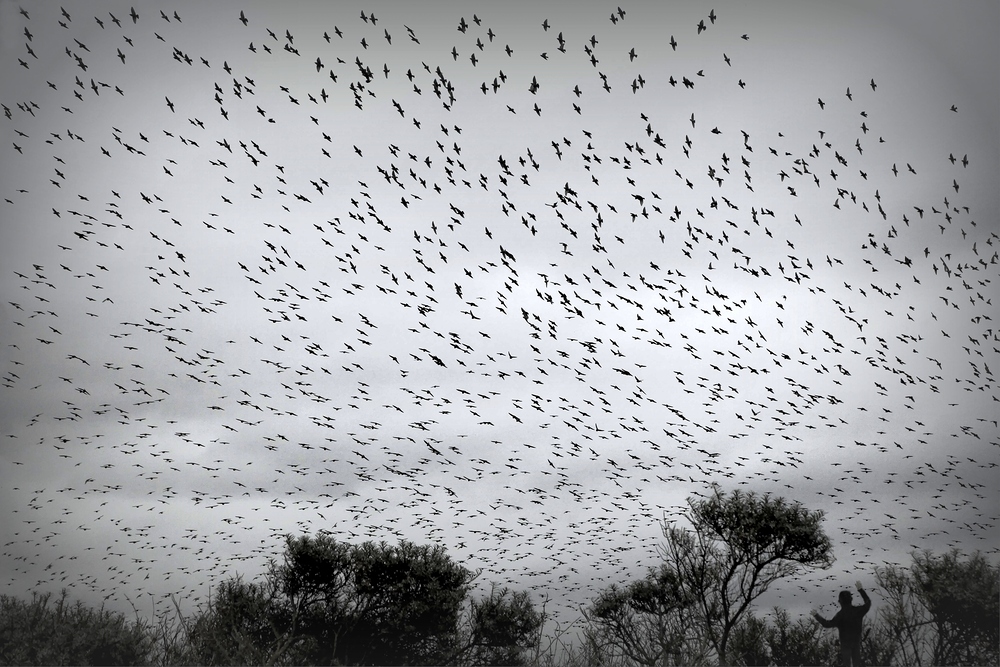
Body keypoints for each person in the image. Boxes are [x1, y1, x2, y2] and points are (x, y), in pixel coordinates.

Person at [811, 580, 872, 667]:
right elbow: (868, 603)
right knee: (857, 663)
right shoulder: (858, 611)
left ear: (840, 601)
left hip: (845, 644)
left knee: (846, 664)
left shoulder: (840, 615)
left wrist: (817, 616)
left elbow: (827, 624)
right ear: (851, 599)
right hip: (856, 642)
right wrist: (861, 590)